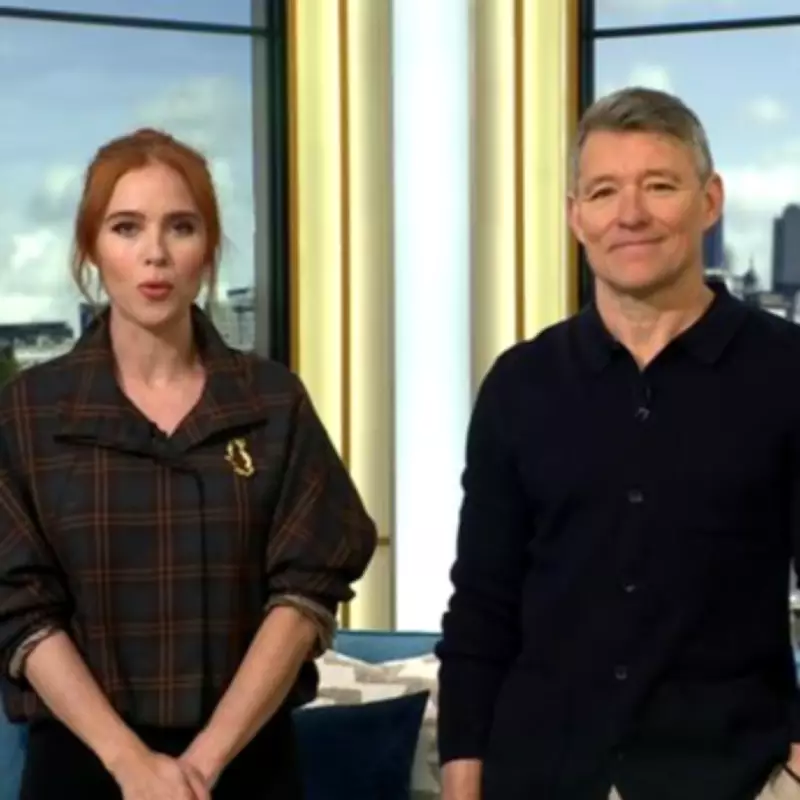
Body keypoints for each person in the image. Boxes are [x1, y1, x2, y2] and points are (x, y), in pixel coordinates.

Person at [437, 86, 800, 800]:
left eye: (659, 186)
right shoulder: (520, 385)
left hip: (734, 776)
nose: (629, 214)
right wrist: (461, 780)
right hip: (538, 775)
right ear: (577, 216)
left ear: (710, 200)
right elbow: (481, 606)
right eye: (604, 192)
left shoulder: (786, 372)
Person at [0, 128, 377, 799]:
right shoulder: (28, 412)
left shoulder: (273, 402)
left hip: (247, 765)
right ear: (91, 248)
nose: (155, 254)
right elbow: (18, 607)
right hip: (81, 769)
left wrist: (203, 763)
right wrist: (129, 763)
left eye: (181, 227)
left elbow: (306, 588)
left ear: (208, 251)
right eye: (126, 227)